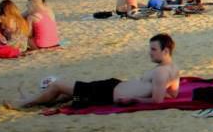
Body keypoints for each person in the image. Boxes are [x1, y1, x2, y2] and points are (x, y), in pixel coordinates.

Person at [10, 33, 180, 109]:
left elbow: (157, 101)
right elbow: (172, 95)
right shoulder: (173, 69)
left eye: (153, 49)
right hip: (112, 86)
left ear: (165, 51)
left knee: (58, 85)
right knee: (70, 94)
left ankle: (24, 103)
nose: (149, 52)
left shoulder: (161, 72)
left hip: (108, 93)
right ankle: (33, 99)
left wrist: (132, 99)